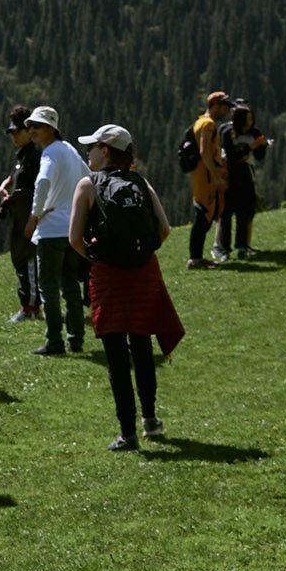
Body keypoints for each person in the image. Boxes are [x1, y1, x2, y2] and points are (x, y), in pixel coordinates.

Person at [69, 125, 184, 452]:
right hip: (143, 273)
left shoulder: (88, 184)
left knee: (117, 356)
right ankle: (150, 420)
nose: (87, 153)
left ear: (105, 150)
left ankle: (127, 433)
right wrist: (142, 254)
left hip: (108, 277)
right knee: (143, 346)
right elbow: (164, 229)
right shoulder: (141, 183)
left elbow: (74, 238)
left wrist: (97, 258)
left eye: (91, 147)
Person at [23, 106, 87, 356]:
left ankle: (55, 343)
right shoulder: (70, 150)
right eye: (30, 126)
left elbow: (43, 182)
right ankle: (76, 340)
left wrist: (34, 216)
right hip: (71, 228)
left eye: (36, 126)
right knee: (70, 284)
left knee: (48, 287)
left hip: (50, 229)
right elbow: (89, 176)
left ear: (51, 128)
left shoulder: (50, 153)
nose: (32, 131)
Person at [0, 106, 41, 322]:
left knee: (28, 258)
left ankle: (30, 307)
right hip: (20, 216)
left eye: (17, 131)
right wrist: (5, 185)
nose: (13, 136)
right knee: (21, 257)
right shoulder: (22, 155)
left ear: (28, 130)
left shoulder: (36, 156)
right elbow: (14, 176)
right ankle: (30, 306)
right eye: (11, 132)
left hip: (30, 217)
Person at [214, 100, 268, 260]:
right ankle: (224, 249)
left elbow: (259, 157)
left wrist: (261, 146)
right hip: (229, 176)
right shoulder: (227, 132)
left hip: (246, 176)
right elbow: (231, 156)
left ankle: (242, 246)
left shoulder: (254, 132)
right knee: (226, 214)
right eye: (247, 119)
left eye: (251, 119)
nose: (250, 122)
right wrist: (249, 148)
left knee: (244, 213)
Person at [185, 91, 231, 268]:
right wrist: (215, 176)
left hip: (203, 176)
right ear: (215, 106)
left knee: (205, 215)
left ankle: (197, 257)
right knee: (203, 215)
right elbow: (204, 152)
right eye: (224, 107)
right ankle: (195, 258)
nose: (226, 111)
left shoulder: (200, 122)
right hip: (206, 179)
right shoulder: (208, 125)